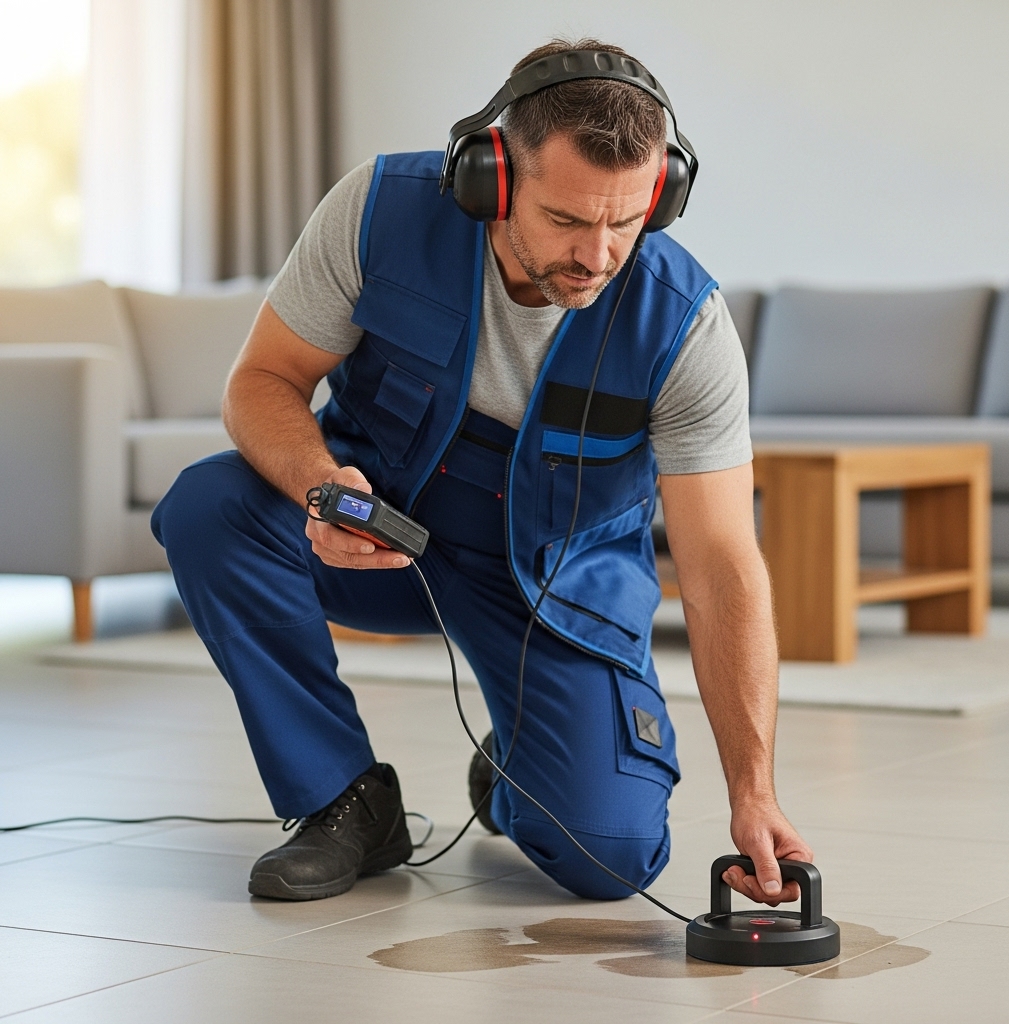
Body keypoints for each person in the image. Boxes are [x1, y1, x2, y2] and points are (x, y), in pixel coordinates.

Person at [153, 38, 812, 907]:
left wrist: (753, 791)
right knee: (209, 506)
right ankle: (344, 799)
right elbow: (262, 382)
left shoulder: (683, 324)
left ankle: (516, 768)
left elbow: (722, 568)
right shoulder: (377, 214)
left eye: (628, 219)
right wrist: (322, 485)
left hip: (554, 588)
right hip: (380, 534)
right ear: (492, 178)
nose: (599, 255)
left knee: (609, 857)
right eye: (569, 220)